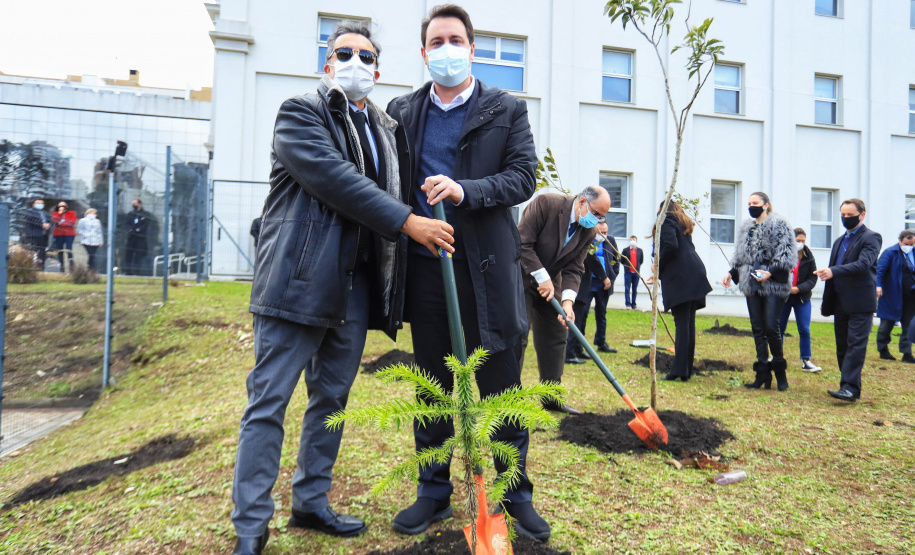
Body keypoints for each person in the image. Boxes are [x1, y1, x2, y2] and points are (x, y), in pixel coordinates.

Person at [231, 22, 454, 555]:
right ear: (328, 63)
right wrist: (408, 222)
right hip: (297, 278)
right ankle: (250, 527)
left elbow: (392, 184)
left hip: (355, 286)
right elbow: (335, 179)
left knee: (331, 400)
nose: (356, 61)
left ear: (378, 69)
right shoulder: (300, 112)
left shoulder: (384, 127)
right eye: (344, 53)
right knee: (269, 401)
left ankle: (311, 501)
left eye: (366, 55)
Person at [386, 4, 549, 541]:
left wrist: (464, 190)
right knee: (433, 385)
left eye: (455, 40)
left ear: (472, 48)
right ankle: (433, 492)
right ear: (424, 52)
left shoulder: (505, 109)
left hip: (488, 269)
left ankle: (514, 494)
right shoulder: (402, 111)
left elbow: (523, 176)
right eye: (437, 42)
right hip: (427, 270)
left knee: (501, 383)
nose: (447, 50)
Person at [519, 186, 612, 415]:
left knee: (556, 334)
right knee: (517, 334)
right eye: (596, 213)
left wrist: (568, 303)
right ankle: (509, 397)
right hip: (520, 278)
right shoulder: (546, 204)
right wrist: (541, 276)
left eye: (602, 217)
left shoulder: (588, 232)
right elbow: (522, 243)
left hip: (552, 284)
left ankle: (551, 397)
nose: (597, 221)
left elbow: (574, 268)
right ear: (581, 202)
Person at [722, 192, 796, 391]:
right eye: (749, 203)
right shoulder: (746, 228)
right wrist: (731, 272)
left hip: (774, 284)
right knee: (757, 328)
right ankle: (762, 373)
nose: (751, 206)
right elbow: (740, 257)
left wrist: (770, 272)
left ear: (766, 205)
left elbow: (786, 254)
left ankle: (779, 370)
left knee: (771, 326)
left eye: (755, 203)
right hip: (751, 281)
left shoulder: (780, 224)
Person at [815, 198, 882, 402]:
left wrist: (833, 271)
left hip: (861, 302)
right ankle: (849, 386)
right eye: (843, 215)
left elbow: (863, 264)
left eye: (850, 215)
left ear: (862, 215)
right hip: (840, 301)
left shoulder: (871, 238)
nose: (845, 218)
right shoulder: (839, 241)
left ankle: (849, 388)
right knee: (843, 346)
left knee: (855, 345)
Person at [646, 201, 712, 381]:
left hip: (682, 277)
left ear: (662, 209)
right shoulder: (681, 222)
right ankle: (685, 370)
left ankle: (679, 370)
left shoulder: (666, 219)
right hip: (694, 271)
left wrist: (658, 266)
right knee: (688, 323)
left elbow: (670, 246)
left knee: (682, 324)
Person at [566, 218, 619, 364]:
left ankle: (577, 349)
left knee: (585, 317)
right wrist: (604, 277)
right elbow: (592, 259)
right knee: (577, 318)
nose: (602, 235)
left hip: (590, 283)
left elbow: (615, 260)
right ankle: (569, 353)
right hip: (581, 283)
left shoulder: (605, 241)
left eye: (605, 232)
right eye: (600, 232)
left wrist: (609, 277)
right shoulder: (585, 239)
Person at [778, 228, 822, 372]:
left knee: (804, 329)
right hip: (784, 298)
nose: (801, 243)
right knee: (779, 328)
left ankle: (806, 360)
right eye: (798, 241)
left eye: (803, 241)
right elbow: (774, 273)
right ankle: (776, 357)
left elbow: (812, 278)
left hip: (802, 298)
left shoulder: (808, 256)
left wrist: (799, 288)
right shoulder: (781, 254)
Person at [875, 229, 915, 363]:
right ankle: (883, 349)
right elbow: (880, 270)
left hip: (911, 296)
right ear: (900, 241)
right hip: (892, 295)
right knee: (887, 323)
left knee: (908, 325)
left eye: (912, 244)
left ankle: (907, 353)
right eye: (906, 244)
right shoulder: (890, 252)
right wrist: (878, 285)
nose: (909, 247)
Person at [21, 198, 51, 269]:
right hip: (33, 235)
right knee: (33, 251)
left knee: (42, 251)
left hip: (43, 235)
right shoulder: (29, 211)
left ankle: (41, 267)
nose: (40, 205)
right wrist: (42, 225)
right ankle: (32, 267)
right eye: (38, 203)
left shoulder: (45, 213)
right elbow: (32, 220)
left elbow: (50, 220)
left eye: (42, 203)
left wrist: (49, 224)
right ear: (33, 204)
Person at [124, 199, 149, 275]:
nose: (134, 206)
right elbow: (127, 224)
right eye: (133, 204)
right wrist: (131, 230)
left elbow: (145, 225)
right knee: (128, 254)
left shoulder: (145, 214)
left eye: (135, 204)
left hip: (140, 238)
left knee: (138, 255)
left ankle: (137, 271)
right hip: (131, 237)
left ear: (139, 204)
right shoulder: (130, 214)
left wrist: (138, 230)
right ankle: (127, 271)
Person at [51, 201, 77, 272]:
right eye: (60, 206)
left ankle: (71, 265)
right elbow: (55, 220)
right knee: (60, 250)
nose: (62, 207)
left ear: (67, 207)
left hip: (69, 234)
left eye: (63, 206)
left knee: (69, 249)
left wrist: (61, 223)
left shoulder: (71, 213)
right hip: (58, 234)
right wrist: (60, 213)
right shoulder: (55, 213)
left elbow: (72, 222)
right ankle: (61, 265)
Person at [621, 234, 644, 309]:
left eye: (634, 239)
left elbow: (641, 260)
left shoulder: (640, 251)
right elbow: (622, 260)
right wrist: (626, 266)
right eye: (631, 239)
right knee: (627, 288)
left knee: (635, 289)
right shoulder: (625, 250)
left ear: (636, 241)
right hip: (628, 272)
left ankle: (634, 304)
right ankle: (628, 304)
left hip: (636, 273)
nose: (632, 241)